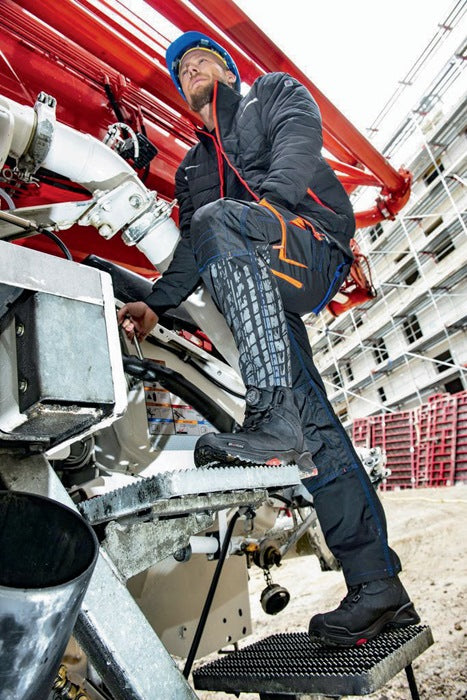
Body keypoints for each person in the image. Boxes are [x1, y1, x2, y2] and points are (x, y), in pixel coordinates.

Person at [118, 31, 419, 646]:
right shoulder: (193, 169)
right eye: (181, 69)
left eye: (202, 59)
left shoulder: (272, 95)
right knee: (315, 430)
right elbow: (191, 249)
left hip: (308, 240)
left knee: (219, 221)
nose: (190, 68)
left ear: (229, 71)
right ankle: (377, 586)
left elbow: (298, 147)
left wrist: (266, 212)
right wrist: (155, 305)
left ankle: (269, 413)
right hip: (259, 281)